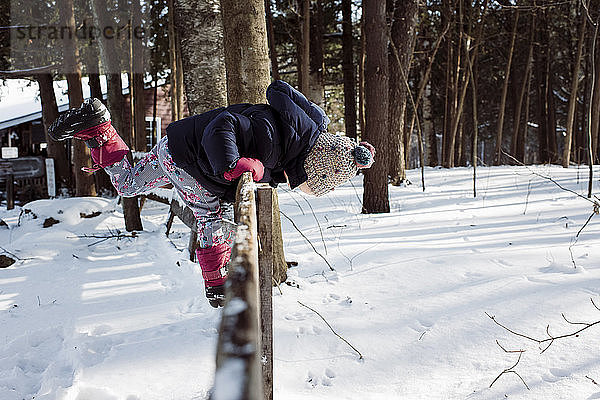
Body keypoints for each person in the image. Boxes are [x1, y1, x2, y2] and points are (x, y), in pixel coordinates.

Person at [48, 80, 375, 308]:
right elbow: (224, 124)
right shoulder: (276, 139)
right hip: (191, 163)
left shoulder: (292, 143)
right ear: (312, 167)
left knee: (128, 184)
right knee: (209, 215)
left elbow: (278, 96)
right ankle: (216, 284)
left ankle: (99, 129)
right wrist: (230, 166)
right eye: (314, 184)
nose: (307, 190)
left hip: (178, 149)